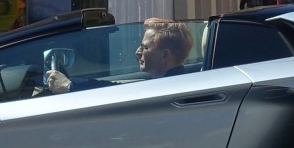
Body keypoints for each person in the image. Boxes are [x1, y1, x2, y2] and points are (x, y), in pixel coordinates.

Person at [43, 18, 193, 94]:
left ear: (165, 55)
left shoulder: (164, 90)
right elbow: (114, 89)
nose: (137, 52)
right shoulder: (172, 83)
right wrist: (71, 83)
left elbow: (113, 94)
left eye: (144, 47)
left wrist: (69, 86)